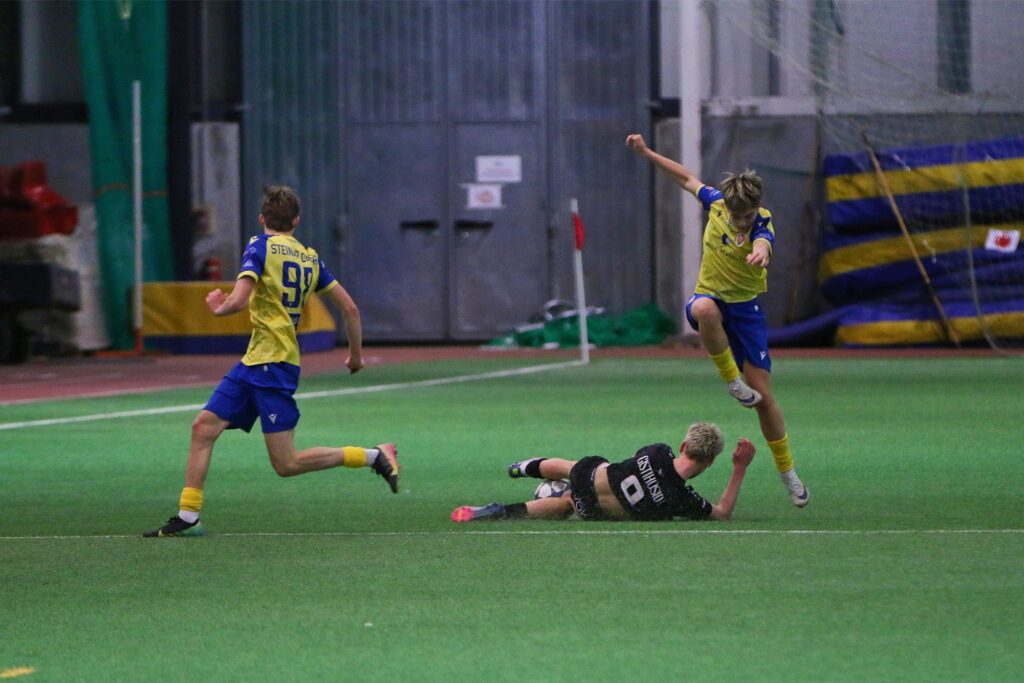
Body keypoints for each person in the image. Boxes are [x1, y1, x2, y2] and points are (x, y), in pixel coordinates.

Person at [144, 185, 399, 538]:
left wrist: (218, 307)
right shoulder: (310, 258)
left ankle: (374, 455)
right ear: (296, 221)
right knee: (203, 427)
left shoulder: (259, 246)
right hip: (258, 361)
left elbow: (238, 301)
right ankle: (188, 517)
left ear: (262, 218)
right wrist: (355, 356)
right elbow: (350, 309)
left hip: (273, 365)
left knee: (286, 463)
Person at [625, 133, 809, 507]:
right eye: (737, 216)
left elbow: (763, 242)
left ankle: (788, 472)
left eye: (747, 216)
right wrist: (646, 153)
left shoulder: (762, 223)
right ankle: (731, 381)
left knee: (765, 400)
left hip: (745, 312)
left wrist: (761, 252)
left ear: (756, 208)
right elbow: (685, 177)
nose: (741, 223)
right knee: (704, 309)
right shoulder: (715, 204)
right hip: (710, 299)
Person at [451, 422, 754, 523]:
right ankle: (502, 511)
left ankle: (522, 468)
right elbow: (722, 513)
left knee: (576, 467)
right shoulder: (684, 499)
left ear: (683, 445)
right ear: (710, 462)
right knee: (567, 503)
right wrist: (739, 468)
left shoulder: (658, 451)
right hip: (593, 511)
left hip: (590, 476)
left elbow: (639, 464)